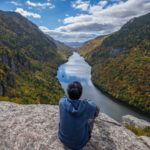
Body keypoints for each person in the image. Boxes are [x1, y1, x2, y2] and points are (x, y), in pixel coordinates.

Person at [58, 81, 100, 150]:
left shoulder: (62, 102)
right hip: (80, 143)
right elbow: (96, 109)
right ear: (80, 93)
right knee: (91, 120)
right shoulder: (87, 106)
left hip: (63, 139)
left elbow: (64, 98)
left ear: (68, 92)